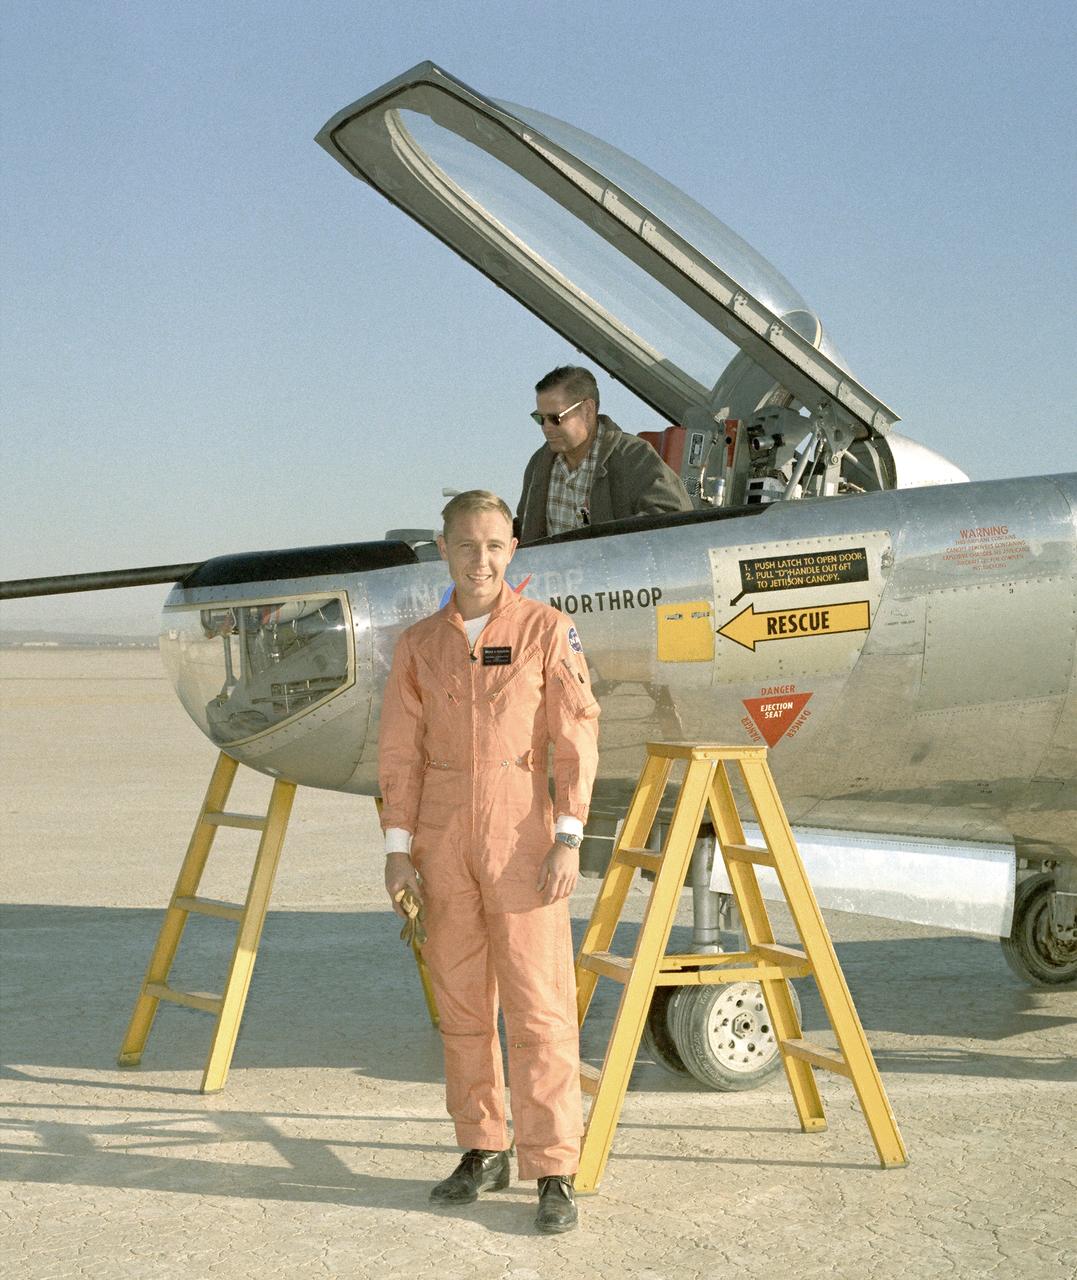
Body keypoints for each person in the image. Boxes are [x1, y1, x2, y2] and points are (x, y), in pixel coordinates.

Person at [378, 489, 600, 1234]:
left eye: (495, 546)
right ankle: (482, 1147)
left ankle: (553, 1168)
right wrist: (397, 851)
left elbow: (574, 739)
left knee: (539, 1008)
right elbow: (399, 754)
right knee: (464, 1007)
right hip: (441, 840)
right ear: (443, 548)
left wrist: (567, 834)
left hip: (522, 839)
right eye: (468, 545)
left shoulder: (545, 631)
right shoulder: (418, 645)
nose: (481, 559)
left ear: (512, 552)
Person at [516, 365, 693, 541]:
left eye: (555, 418)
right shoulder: (538, 464)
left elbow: (672, 520)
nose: (546, 428)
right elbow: (526, 527)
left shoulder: (634, 457)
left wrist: (613, 548)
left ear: (588, 411)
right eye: (540, 418)